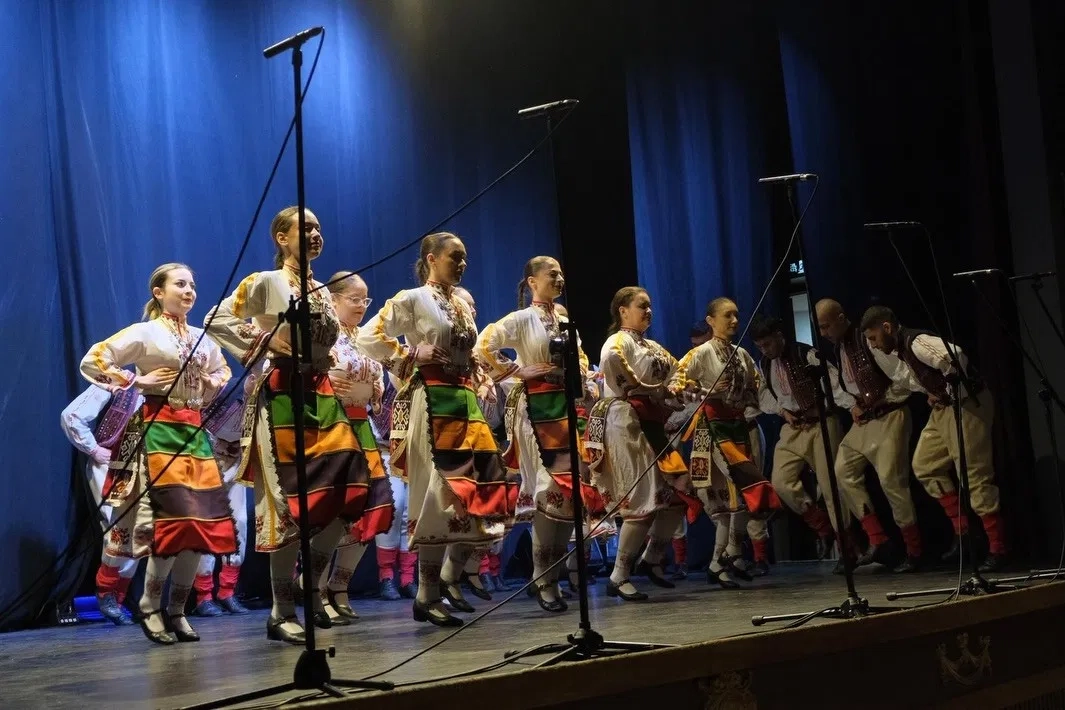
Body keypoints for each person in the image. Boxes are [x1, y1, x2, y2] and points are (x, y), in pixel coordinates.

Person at [205, 207, 388, 643]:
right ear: (282, 238)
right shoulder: (267, 282)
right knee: (289, 504)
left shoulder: (321, 291)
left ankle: (311, 585)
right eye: (304, 228)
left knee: (351, 489)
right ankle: (281, 610)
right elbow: (217, 317)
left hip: (322, 395)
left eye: (318, 227)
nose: (315, 234)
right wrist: (262, 340)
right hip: (283, 394)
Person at [357, 232, 514, 627]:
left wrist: (479, 374)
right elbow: (367, 335)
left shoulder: (460, 305)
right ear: (431, 258)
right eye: (454, 257)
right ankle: (426, 594)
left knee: (478, 491)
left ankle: (447, 578)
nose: (462, 264)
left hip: (464, 402)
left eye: (464, 258)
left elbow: (469, 352)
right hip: (432, 401)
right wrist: (410, 352)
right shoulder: (413, 299)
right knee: (437, 494)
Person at [81, 263, 237, 644]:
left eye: (192, 285)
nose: (189, 291)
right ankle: (150, 606)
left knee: (198, 525)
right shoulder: (146, 332)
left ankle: (177, 610)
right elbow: (95, 359)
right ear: (158, 292)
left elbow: (223, 372)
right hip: (159, 430)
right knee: (169, 525)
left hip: (195, 434)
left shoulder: (200, 338)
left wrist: (209, 381)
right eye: (180, 284)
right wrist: (136, 380)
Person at [477, 256, 613, 612]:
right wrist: (516, 370)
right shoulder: (523, 319)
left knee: (569, 495)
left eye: (561, 273)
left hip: (564, 408)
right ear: (532, 282)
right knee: (548, 490)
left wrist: (584, 380)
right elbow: (483, 345)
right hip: (536, 411)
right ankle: (542, 577)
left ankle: (551, 573)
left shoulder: (564, 320)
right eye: (552, 273)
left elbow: (579, 358)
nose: (559, 277)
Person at [861, 305, 1007, 571]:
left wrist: (949, 389)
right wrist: (933, 392)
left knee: (973, 474)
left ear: (887, 327)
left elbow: (955, 355)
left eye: (873, 337)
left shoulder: (916, 342)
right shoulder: (902, 350)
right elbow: (920, 377)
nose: (873, 344)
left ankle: (998, 548)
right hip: (944, 409)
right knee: (926, 465)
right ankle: (964, 533)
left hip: (967, 405)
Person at [584, 287, 698, 601]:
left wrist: (680, 388)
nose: (648, 311)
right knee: (639, 501)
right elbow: (615, 366)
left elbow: (678, 372)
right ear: (623, 310)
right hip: (626, 423)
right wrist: (651, 388)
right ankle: (619, 575)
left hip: (652, 426)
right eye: (641, 306)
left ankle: (651, 558)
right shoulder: (617, 342)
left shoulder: (652, 346)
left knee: (678, 496)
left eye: (649, 306)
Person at [670, 298, 781, 587]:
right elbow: (676, 385)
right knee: (740, 490)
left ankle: (721, 561)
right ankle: (730, 554)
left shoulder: (741, 354)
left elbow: (757, 389)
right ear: (711, 321)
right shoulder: (701, 353)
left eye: (736, 315)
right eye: (727, 316)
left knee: (731, 501)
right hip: (713, 429)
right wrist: (706, 391)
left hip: (737, 428)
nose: (734, 321)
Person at [314, 271, 396, 624]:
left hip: (362, 428)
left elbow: (379, 379)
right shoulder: (322, 335)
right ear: (333, 300)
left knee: (371, 508)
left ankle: (340, 585)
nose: (362, 306)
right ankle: (316, 589)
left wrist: (374, 391)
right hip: (331, 427)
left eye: (365, 300)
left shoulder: (364, 338)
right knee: (332, 512)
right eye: (354, 299)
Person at [816, 299, 922, 572]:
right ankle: (878, 540)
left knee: (891, 480)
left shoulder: (867, 341)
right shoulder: (839, 347)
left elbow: (903, 377)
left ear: (841, 318)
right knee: (842, 470)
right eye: (820, 328)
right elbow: (847, 385)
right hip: (865, 420)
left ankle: (914, 550)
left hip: (890, 415)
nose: (824, 333)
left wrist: (882, 399)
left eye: (827, 326)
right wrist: (854, 405)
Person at [749, 314, 857, 570]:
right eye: (760, 346)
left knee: (830, 487)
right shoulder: (765, 364)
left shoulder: (806, 355)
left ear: (779, 336)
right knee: (781, 482)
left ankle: (847, 547)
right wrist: (782, 411)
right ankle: (821, 525)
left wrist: (851, 406)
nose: (765, 350)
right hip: (793, 427)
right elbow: (764, 395)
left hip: (821, 423)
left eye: (768, 344)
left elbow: (834, 385)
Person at [60, 384, 143, 625]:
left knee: (142, 531)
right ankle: (106, 591)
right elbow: (71, 416)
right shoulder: (118, 382)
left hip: (143, 468)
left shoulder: (164, 387)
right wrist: (94, 449)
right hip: (111, 467)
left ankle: (119, 598)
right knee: (119, 527)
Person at [193, 394, 252, 616]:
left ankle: (227, 591)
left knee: (239, 522)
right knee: (208, 525)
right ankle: (203, 595)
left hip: (236, 460)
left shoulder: (253, 389)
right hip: (207, 458)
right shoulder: (222, 387)